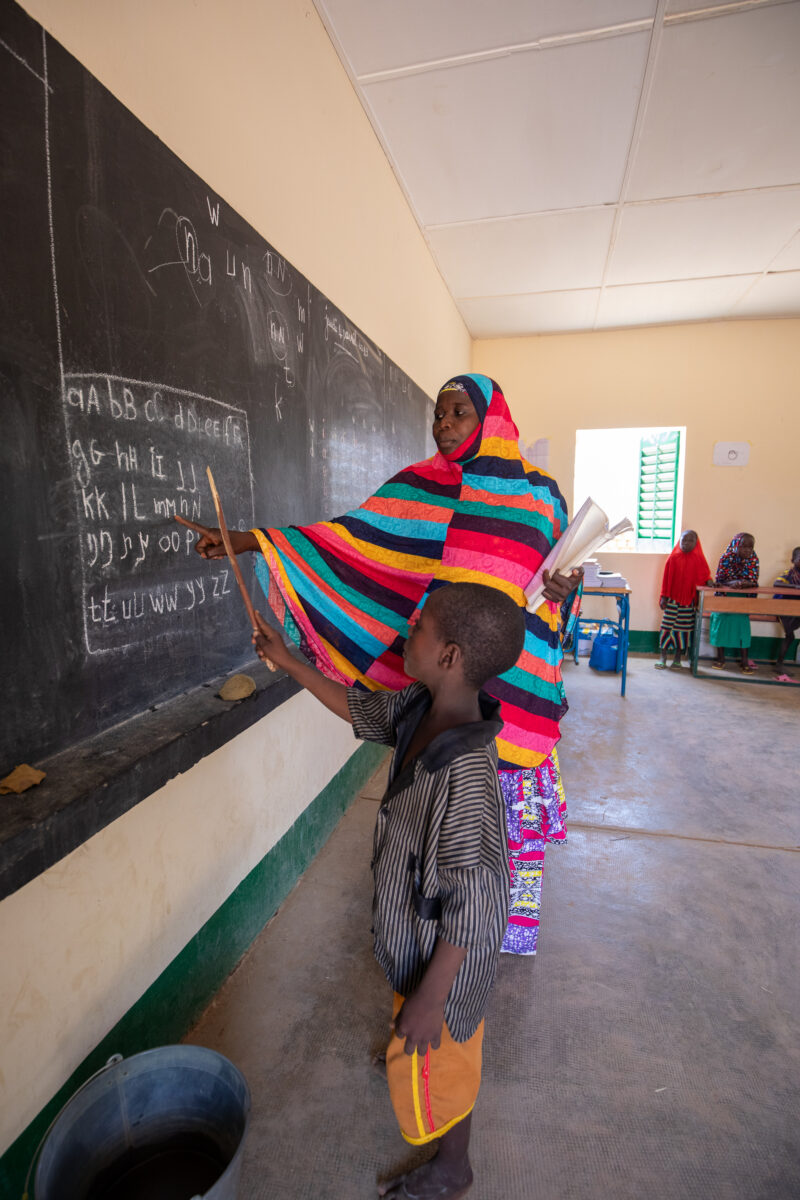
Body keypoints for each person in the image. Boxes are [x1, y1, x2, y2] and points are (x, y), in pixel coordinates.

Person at [178, 373, 581, 957]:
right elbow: (349, 544)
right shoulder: (417, 489)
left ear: (491, 418)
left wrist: (567, 587)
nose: (443, 425)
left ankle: (476, 956)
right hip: (445, 690)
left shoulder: (542, 496)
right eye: (437, 415)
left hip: (515, 686)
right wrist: (248, 541)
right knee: (434, 836)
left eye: (458, 413)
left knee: (493, 851)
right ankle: (425, 940)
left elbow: (558, 576)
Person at [252, 581, 525, 1200]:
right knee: (427, 1046)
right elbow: (357, 710)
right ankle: (416, 1026)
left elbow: (478, 907)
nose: (409, 633)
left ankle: (453, 1168)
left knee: (444, 1067)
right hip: (415, 943)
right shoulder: (417, 711)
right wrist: (288, 659)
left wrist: (430, 998)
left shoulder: (466, 776)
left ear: (451, 656)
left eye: (420, 627)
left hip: (445, 972)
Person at [655, 530, 711, 670]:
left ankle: (678, 658)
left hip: (688, 602)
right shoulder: (673, 558)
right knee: (667, 628)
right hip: (672, 600)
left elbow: (704, 576)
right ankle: (663, 657)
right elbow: (666, 580)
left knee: (683, 629)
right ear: (679, 541)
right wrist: (664, 597)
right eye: (684, 540)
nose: (686, 543)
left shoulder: (699, 559)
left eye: (690, 540)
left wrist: (709, 581)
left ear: (696, 543)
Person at [710, 533, 759, 672]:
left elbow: (754, 581)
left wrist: (745, 583)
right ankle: (721, 659)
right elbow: (719, 580)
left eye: (750, 547)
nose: (747, 550)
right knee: (721, 627)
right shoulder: (726, 558)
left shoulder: (753, 559)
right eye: (744, 546)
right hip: (724, 597)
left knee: (743, 630)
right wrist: (732, 583)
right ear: (736, 545)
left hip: (743, 599)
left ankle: (744, 661)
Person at [773, 547, 800, 677]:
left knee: (791, 636)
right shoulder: (789, 573)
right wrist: (796, 587)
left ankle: (779, 664)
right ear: (793, 560)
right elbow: (777, 584)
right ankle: (779, 665)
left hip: (797, 609)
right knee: (790, 636)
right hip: (783, 608)